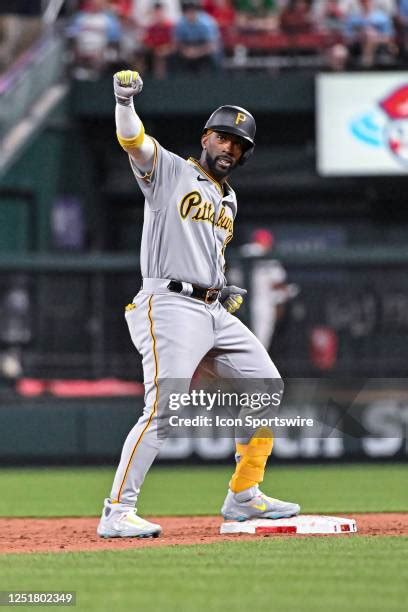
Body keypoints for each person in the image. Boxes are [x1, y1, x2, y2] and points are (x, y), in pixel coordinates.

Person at [96, 69, 300, 538]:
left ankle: (244, 497)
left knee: (266, 387)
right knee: (164, 406)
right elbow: (134, 141)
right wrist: (123, 101)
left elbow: (205, 248)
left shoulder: (229, 199)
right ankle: (117, 510)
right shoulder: (170, 170)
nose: (230, 148)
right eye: (224, 137)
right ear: (206, 137)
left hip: (211, 310)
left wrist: (218, 286)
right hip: (167, 304)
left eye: (239, 144)